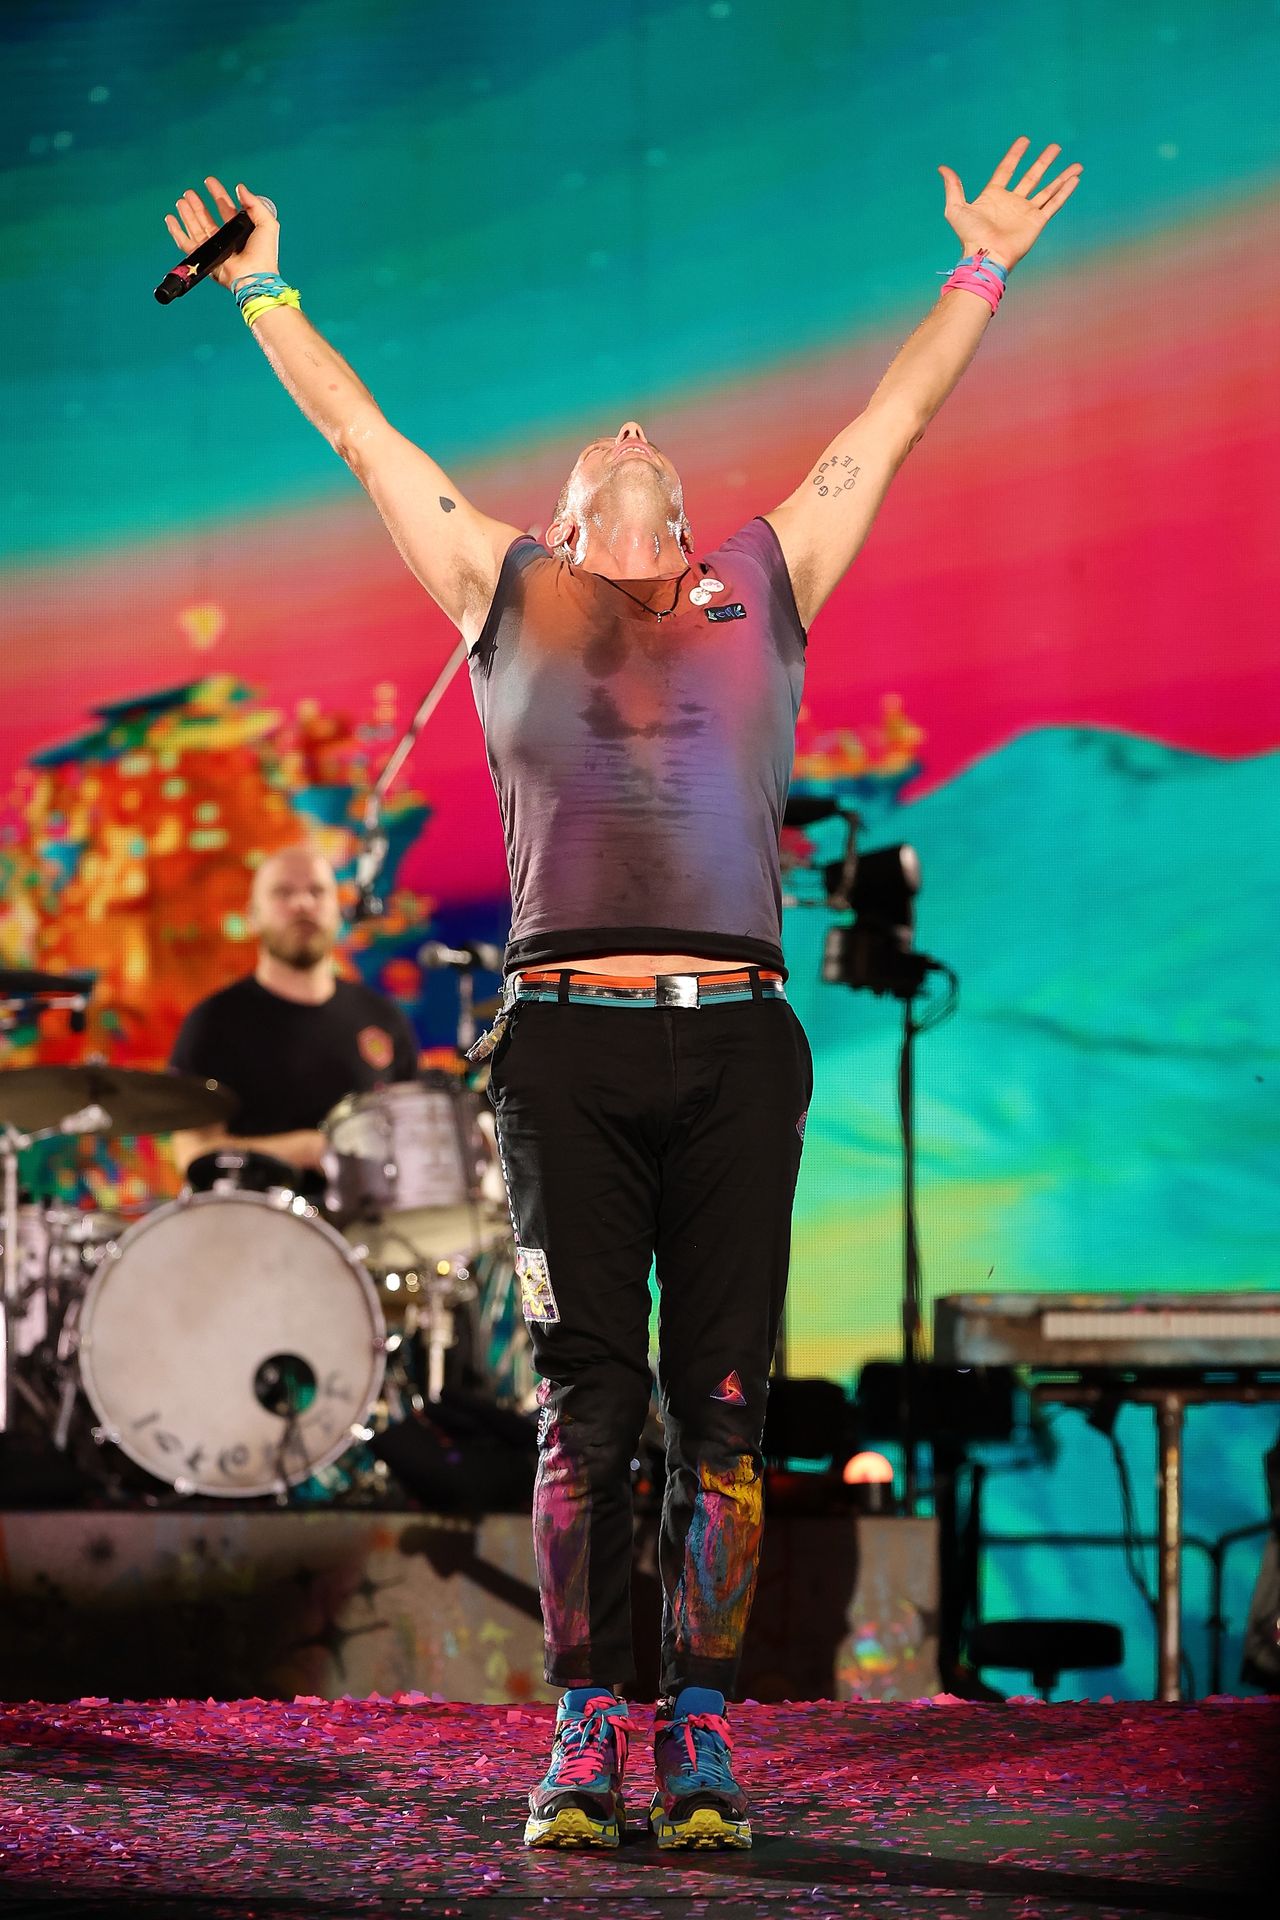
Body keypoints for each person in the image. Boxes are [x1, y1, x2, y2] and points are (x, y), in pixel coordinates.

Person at [163, 134, 1082, 1850]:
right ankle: (591, 1729)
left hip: (738, 1040)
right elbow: (364, 435)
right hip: (566, 1043)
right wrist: (264, 286)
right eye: (606, 451)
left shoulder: (762, 581)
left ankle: (706, 1735)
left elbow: (889, 429)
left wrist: (982, 269)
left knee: (723, 1401)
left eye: (658, 441)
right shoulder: (505, 588)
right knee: (593, 1398)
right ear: (576, 511)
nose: (636, 437)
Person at [169, 845, 418, 1193]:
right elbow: (193, 1155)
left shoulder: (383, 1018)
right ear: (252, 915)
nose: (302, 904)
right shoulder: (213, 1023)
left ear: (338, 910)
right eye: (283, 893)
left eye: (317, 892)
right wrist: (306, 1149)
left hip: (371, 1235)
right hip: (254, 1231)